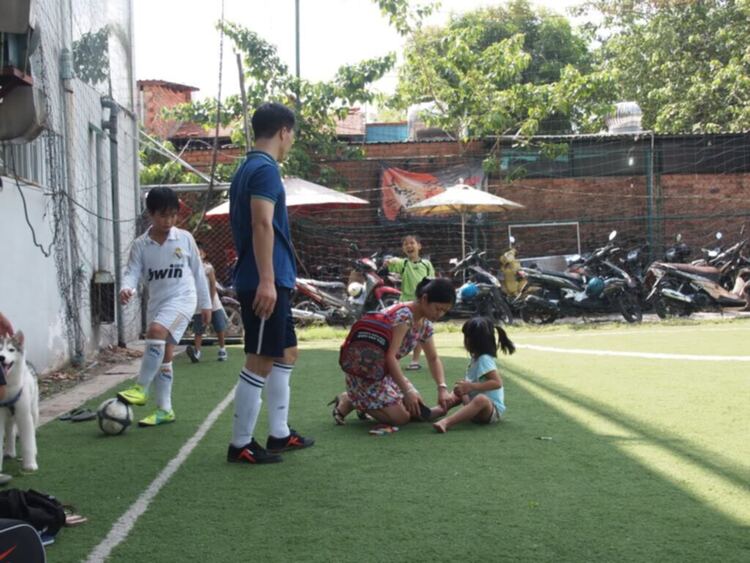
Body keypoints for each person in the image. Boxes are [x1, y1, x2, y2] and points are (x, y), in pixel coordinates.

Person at [226, 102, 314, 465]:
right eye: (292, 134)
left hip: (275, 277)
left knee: (286, 352)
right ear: (283, 132)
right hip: (265, 279)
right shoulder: (263, 170)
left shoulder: (250, 167)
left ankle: (278, 434)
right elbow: (262, 223)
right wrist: (266, 281)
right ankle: (240, 444)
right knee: (260, 359)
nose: (291, 140)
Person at [117, 187, 212, 426]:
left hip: (184, 299)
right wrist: (126, 288)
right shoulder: (141, 245)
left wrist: (206, 304)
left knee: (156, 332)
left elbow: (198, 273)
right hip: (157, 304)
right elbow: (132, 273)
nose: (169, 221)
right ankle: (164, 410)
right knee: (164, 355)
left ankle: (141, 388)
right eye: (162, 216)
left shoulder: (185, 238)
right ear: (150, 214)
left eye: (173, 215)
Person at [331, 277, 456, 427]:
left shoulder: (425, 324)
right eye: (438, 308)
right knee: (400, 418)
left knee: (416, 409)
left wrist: (442, 388)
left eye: (445, 311)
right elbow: (389, 356)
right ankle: (351, 399)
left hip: (385, 371)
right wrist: (407, 391)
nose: (440, 314)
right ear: (424, 299)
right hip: (367, 370)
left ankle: (363, 400)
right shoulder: (404, 317)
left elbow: (433, 358)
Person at [432, 317, 515, 434]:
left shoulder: (484, 359)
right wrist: (464, 388)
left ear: (473, 340)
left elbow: (497, 383)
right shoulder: (475, 358)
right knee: (458, 391)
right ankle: (438, 410)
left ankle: (447, 422)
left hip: (489, 411)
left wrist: (471, 387)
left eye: (466, 337)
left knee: (481, 399)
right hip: (471, 404)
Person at [387, 234, 435, 371]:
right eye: (406, 244)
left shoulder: (427, 264)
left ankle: (415, 360)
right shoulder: (403, 263)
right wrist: (388, 262)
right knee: (400, 332)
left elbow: (432, 282)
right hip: (406, 304)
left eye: (412, 243)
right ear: (403, 249)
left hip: (422, 304)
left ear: (419, 246)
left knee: (420, 332)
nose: (409, 246)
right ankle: (392, 358)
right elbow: (393, 264)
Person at [186, 242, 229, 363]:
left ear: (204, 254)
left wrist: (209, 302)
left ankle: (222, 349)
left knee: (219, 327)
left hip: (213, 303)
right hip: (199, 305)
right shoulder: (189, 269)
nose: (197, 255)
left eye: (199, 253)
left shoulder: (208, 268)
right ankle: (197, 352)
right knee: (198, 329)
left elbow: (212, 286)